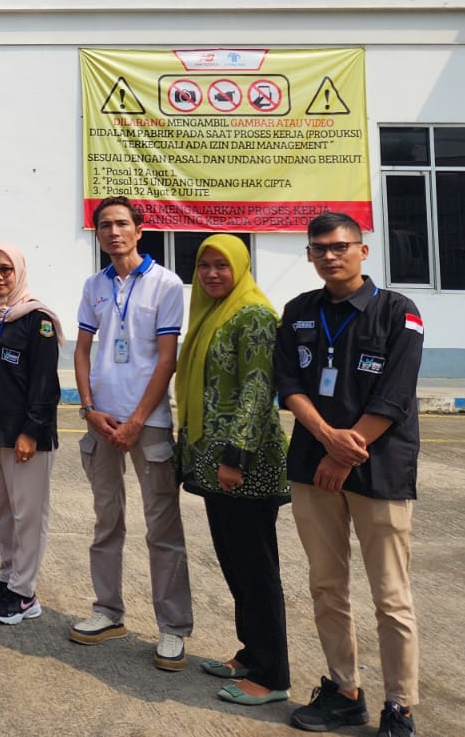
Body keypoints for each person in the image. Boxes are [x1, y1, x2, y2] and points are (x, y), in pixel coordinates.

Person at [274, 212, 424, 737]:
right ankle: (344, 691)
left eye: (340, 246)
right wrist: (325, 438)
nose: (330, 256)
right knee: (326, 585)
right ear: (309, 255)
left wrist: (343, 453)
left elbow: (395, 395)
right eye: (319, 248)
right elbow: (288, 385)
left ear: (363, 250)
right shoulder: (299, 311)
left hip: (378, 469)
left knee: (390, 595)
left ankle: (400, 705)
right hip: (312, 466)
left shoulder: (398, 312)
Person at [72, 196, 194, 669]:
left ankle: (172, 628)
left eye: (122, 223)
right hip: (102, 420)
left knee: (162, 528)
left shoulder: (166, 284)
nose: (114, 232)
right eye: (105, 225)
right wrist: (89, 409)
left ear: (139, 230)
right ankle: (107, 610)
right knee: (107, 520)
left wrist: (138, 419)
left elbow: (167, 359)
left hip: (150, 423)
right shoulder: (94, 284)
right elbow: (83, 351)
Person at [175, 234, 291, 706]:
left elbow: (258, 390)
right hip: (215, 465)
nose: (212, 274)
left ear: (241, 267)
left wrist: (234, 458)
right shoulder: (211, 313)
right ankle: (250, 653)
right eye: (204, 266)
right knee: (235, 565)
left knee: (257, 571)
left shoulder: (254, 316)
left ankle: (272, 675)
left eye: (222, 265)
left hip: (245, 466)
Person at [0, 243, 63, 625]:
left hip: (24, 437)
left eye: (5, 269)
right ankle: (7, 577)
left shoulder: (38, 319)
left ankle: (24, 593)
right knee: (2, 510)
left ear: (18, 272)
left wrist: (31, 432)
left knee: (28, 514)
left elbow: (45, 384)